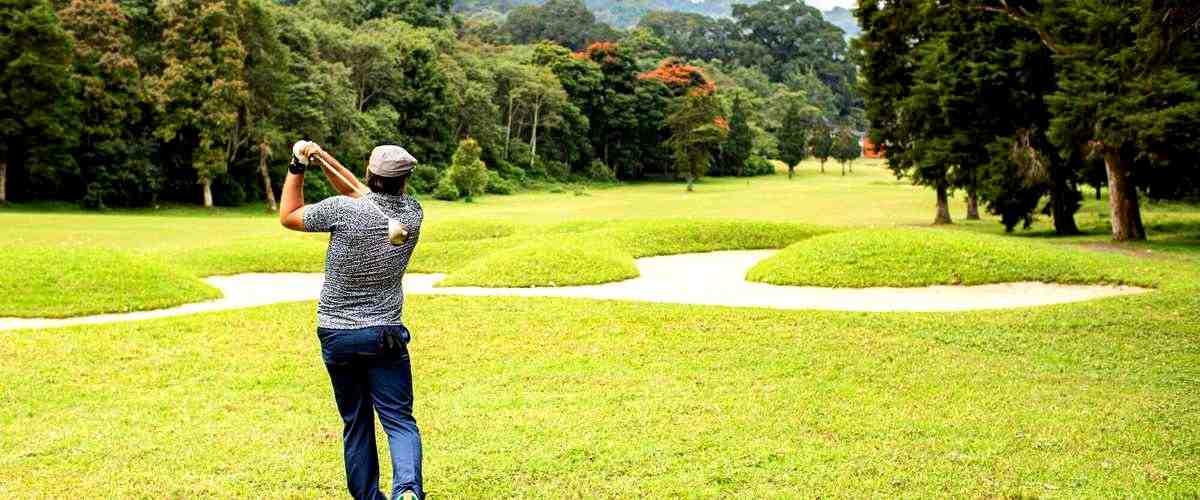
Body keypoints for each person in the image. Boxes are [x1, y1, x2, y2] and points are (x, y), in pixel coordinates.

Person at [279, 141, 425, 500]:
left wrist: (298, 164)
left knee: (356, 423)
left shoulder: (342, 211)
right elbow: (361, 193)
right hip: (384, 336)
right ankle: (406, 491)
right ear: (404, 180)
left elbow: (289, 214)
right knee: (399, 422)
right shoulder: (412, 215)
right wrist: (324, 157)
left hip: (337, 335)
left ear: (369, 173)